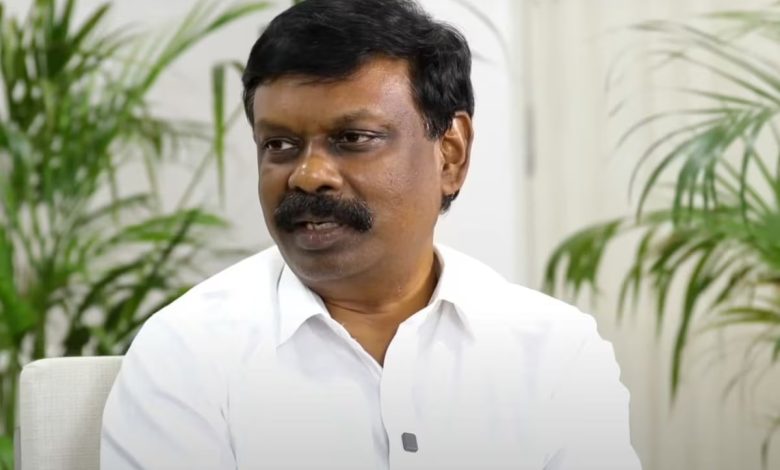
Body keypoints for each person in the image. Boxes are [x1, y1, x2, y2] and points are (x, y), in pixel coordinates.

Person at [100, 0, 642, 468]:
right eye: (280, 145)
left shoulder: (553, 351)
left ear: (450, 154)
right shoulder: (188, 352)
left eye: (353, 138)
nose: (308, 175)